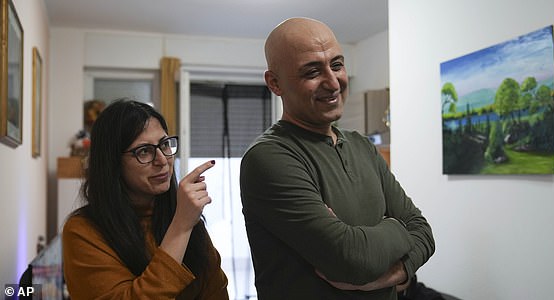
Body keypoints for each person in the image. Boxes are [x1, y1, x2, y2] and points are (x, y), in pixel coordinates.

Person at [240, 17, 435, 299]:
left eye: (337, 64)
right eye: (312, 72)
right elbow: (352, 260)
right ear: (275, 82)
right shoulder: (269, 157)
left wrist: (398, 272)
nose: (333, 83)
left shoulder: (362, 147)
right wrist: (397, 226)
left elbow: (424, 232)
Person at [62, 99, 229, 299]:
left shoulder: (181, 213)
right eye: (144, 151)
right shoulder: (83, 230)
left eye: (165, 144)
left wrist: (184, 222)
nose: (162, 160)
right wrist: (181, 227)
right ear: (112, 163)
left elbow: (216, 290)